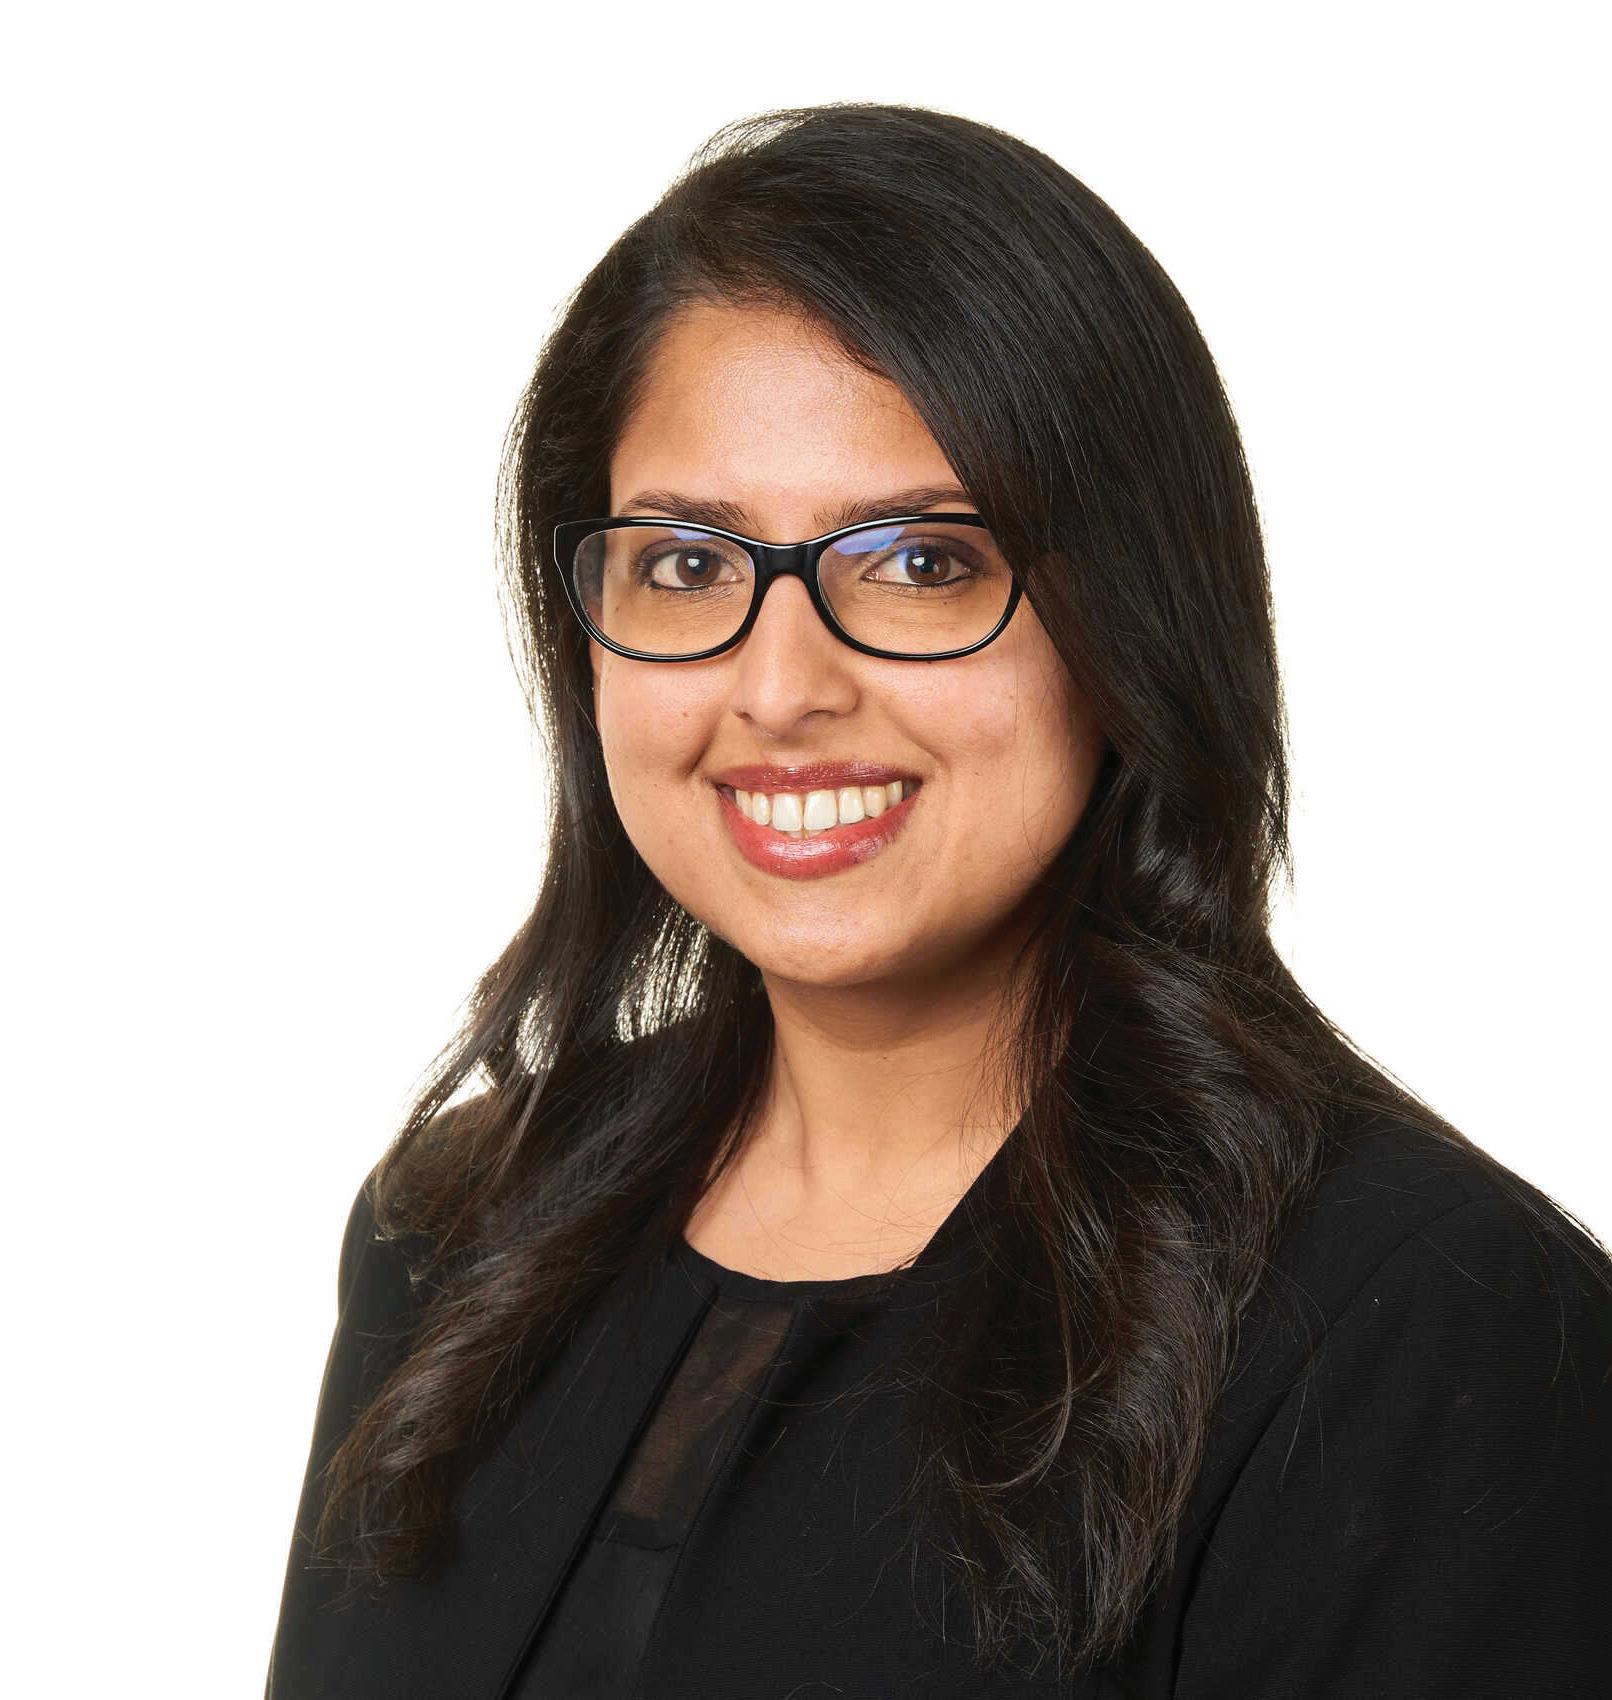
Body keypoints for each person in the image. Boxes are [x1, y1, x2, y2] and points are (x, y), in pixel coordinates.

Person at [265, 102, 1612, 1698]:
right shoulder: (459, 1225)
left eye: (920, 562)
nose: (780, 689)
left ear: (1129, 616)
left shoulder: (1423, 1329)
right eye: (687, 564)